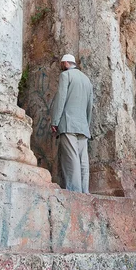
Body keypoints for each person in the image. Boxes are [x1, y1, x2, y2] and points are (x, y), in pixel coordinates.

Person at [50, 54, 93, 193]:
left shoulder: (66, 76)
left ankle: (75, 191)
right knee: (83, 161)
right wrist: (87, 125)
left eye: (62, 64)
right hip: (83, 126)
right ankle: (85, 191)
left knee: (71, 158)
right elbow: (89, 106)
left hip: (68, 123)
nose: (61, 67)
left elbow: (61, 99)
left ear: (67, 63)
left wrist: (55, 121)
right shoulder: (87, 80)